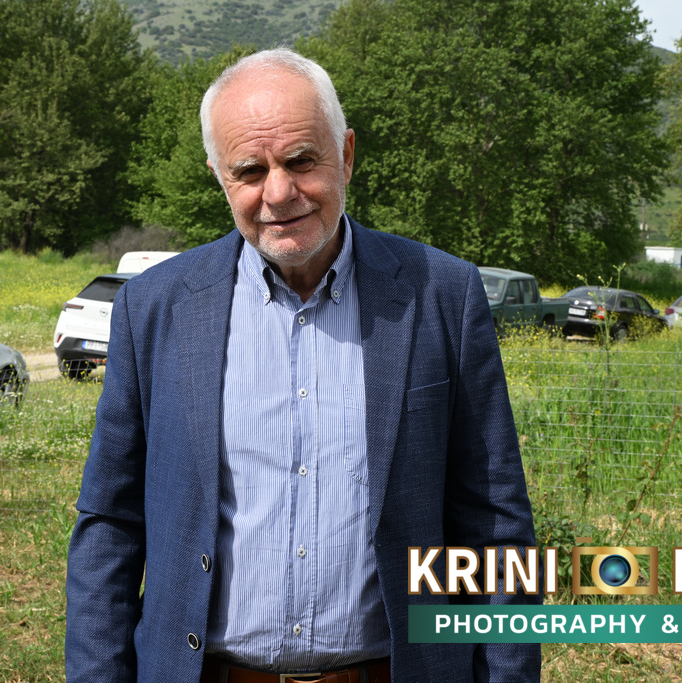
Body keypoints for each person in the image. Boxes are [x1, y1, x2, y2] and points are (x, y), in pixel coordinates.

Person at [65, 48, 540, 683]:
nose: (279, 193)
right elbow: (111, 524)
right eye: (249, 170)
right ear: (219, 176)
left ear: (346, 155)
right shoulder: (154, 308)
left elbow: (495, 524)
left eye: (300, 161)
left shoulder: (442, 295)